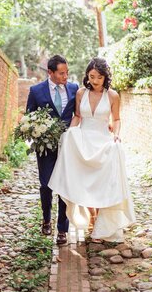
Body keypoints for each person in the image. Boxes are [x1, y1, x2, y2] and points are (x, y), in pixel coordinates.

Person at [48, 57, 136, 243]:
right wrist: (69, 132)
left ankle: (102, 225)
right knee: (84, 181)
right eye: (91, 76)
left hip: (103, 141)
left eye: (99, 77)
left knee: (103, 182)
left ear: (105, 78)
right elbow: (78, 116)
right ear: (87, 76)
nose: (94, 81)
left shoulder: (113, 96)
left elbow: (117, 119)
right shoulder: (81, 93)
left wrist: (116, 135)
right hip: (84, 139)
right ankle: (91, 218)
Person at [26, 55, 79, 245]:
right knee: (46, 185)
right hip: (45, 147)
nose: (66, 76)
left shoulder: (74, 89)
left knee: (65, 186)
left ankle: (62, 230)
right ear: (50, 72)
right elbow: (29, 117)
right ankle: (46, 219)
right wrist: (38, 134)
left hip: (67, 146)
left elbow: (78, 115)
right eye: (61, 73)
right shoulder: (36, 91)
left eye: (67, 73)